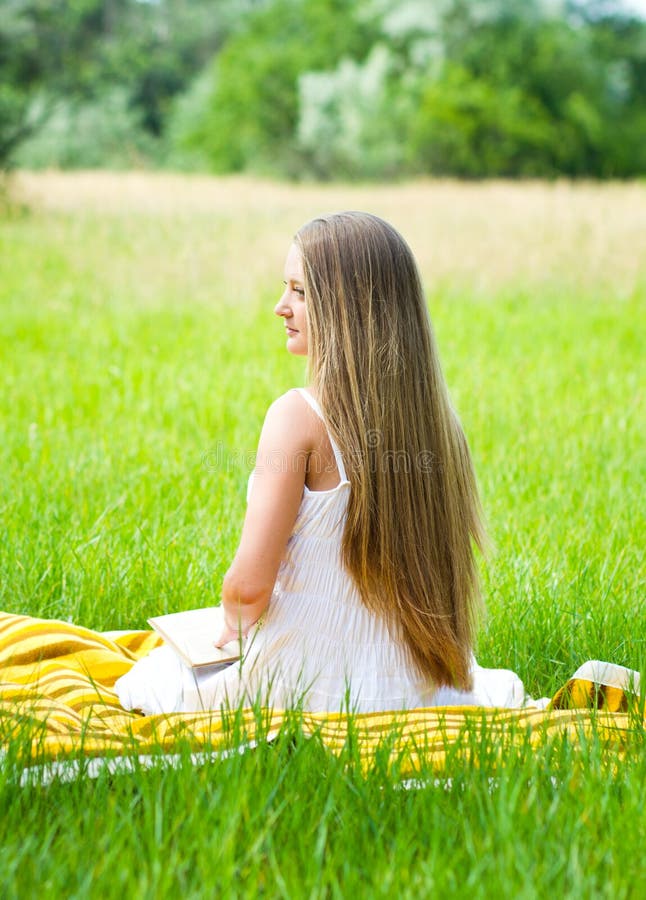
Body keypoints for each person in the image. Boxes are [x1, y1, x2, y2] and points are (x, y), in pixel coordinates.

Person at [115, 211, 534, 715]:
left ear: (352, 308)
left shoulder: (298, 418)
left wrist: (229, 625)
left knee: (151, 679)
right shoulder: (444, 431)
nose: (280, 307)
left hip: (308, 683)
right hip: (414, 684)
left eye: (300, 291)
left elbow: (249, 590)